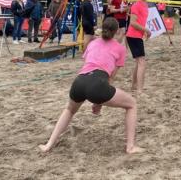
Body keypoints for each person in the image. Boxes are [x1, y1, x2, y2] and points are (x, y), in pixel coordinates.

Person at [38, 18, 144, 154]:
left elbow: (88, 64)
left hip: (79, 82)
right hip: (98, 83)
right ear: (117, 31)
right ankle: (130, 147)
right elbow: (110, 78)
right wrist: (98, 101)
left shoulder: (93, 43)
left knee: (69, 110)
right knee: (132, 104)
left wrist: (98, 100)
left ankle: (49, 144)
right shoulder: (120, 48)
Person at [126, 0, 151, 96]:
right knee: (142, 63)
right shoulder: (136, 5)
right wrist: (146, 30)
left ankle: (134, 86)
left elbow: (139, 23)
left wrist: (144, 32)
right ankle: (140, 90)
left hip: (137, 35)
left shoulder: (145, 5)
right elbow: (133, 23)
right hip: (133, 36)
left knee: (138, 62)